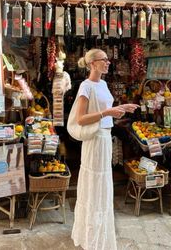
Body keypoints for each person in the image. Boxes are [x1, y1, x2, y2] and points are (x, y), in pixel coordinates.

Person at [71, 48, 138, 250]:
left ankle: (100, 236)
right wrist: (107, 112)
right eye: (104, 60)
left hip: (105, 138)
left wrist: (122, 107)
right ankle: (91, 238)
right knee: (94, 185)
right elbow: (81, 119)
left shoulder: (104, 84)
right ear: (93, 64)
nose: (108, 62)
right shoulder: (86, 86)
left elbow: (106, 111)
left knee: (102, 186)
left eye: (108, 59)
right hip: (94, 140)